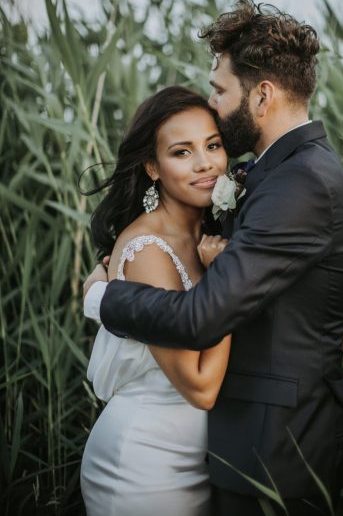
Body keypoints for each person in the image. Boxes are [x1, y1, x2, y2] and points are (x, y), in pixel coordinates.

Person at [83, 0, 343, 516]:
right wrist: (321, 318)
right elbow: (266, 278)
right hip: (177, 453)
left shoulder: (297, 182)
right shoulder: (269, 175)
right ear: (153, 166)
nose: (213, 103)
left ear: (261, 95)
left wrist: (103, 298)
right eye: (183, 151)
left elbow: (204, 314)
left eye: (219, 90)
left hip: (270, 448)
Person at [81, 86, 232, 515]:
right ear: (152, 166)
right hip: (143, 461)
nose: (205, 163)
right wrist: (225, 282)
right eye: (182, 152)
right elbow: (200, 388)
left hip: (201, 460)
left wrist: (331, 326)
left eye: (213, 145)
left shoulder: (217, 231)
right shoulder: (147, 249)